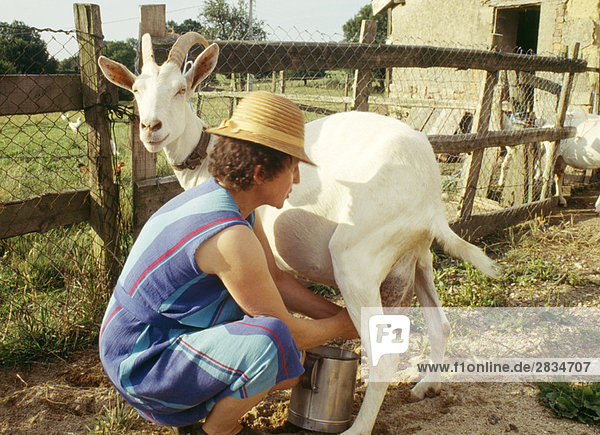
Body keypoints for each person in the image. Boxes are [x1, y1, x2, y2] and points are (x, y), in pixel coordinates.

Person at [99, 91, 358, 435]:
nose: (296, 180)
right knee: (271, 345)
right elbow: (288, 331)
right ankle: (217, 431)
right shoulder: (230, 237)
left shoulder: (224, 202)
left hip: (137, 338)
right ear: (260, 173)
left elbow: (277, 280)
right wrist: (346, 325)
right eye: (293, 168)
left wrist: (341, 315)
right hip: (140, 363)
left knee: (288, 365)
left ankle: (196, 411)